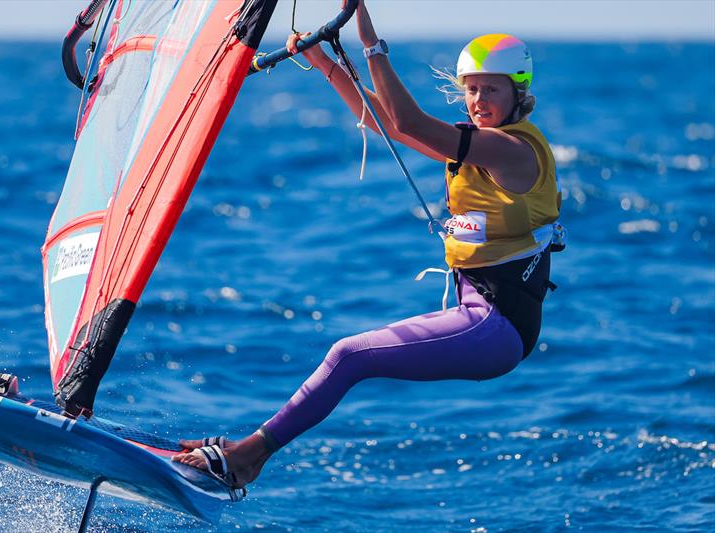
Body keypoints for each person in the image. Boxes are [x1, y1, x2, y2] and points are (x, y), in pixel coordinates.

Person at [172, 0, 561, 491]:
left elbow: (410, 123)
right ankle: (248, 452)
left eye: (492, 89)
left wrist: (370, 42)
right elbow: (386, 122)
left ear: (518, 93)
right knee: (349, 356)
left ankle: (247, 457)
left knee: (349, 356)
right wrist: (324, 63)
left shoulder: (511, 148)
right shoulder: (480, 143)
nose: (479, 100)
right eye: (472, 89)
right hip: (481, 313)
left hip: (496, 325)